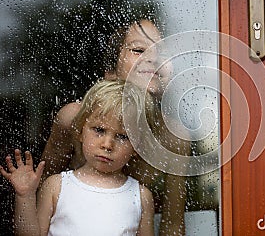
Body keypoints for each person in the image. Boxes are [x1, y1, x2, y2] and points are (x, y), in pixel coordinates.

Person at [40, 19, 191, 236]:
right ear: (110, 70)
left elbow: (173, 224)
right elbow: (40, 188)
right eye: (138, 50)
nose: (153, 58)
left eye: (163, 54)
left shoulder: (174, 138)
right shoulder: (73, 118)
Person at [0, 80, 154, 236]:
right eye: (99, 130)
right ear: (81, 131)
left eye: (122, 137)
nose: (107, 144)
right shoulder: (56, 186)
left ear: (137, 147)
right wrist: (25, 197)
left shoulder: (141, 197)